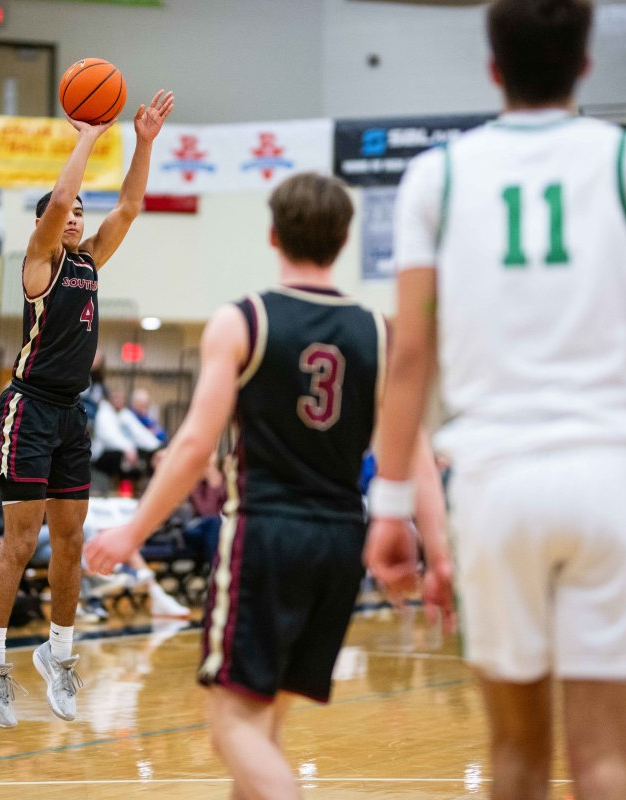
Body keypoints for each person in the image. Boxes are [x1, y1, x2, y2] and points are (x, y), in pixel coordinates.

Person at [363, 3, 626, 798]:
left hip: (495, 483)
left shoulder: (437, 174)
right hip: (612, 476)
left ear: (493, 69)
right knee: (606, 759)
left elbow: (409, 349)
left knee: (516, 758)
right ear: (587, 64)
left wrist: (390, 502)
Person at [85, 172, 446, 797]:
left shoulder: (242, 321)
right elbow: (418, 458)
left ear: (273, 234)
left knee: (231, 727)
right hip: (340, 541)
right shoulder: (381, 336)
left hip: (265, 532)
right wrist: (440, 554)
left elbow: (196, 443)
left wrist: (132, 531)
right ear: (344, 238)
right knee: (266, 723)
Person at [0, 88, 174, 729]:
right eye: (70, 210)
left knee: (71, 540)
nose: (77, 213)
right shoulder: (38, 265)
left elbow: (132, 206)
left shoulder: (89, 261)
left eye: (84, 209)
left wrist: (143, 141)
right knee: (20, 541)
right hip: (27, 410)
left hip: (70, 415)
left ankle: (59, 655)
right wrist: (88, 133)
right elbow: (56, 201)